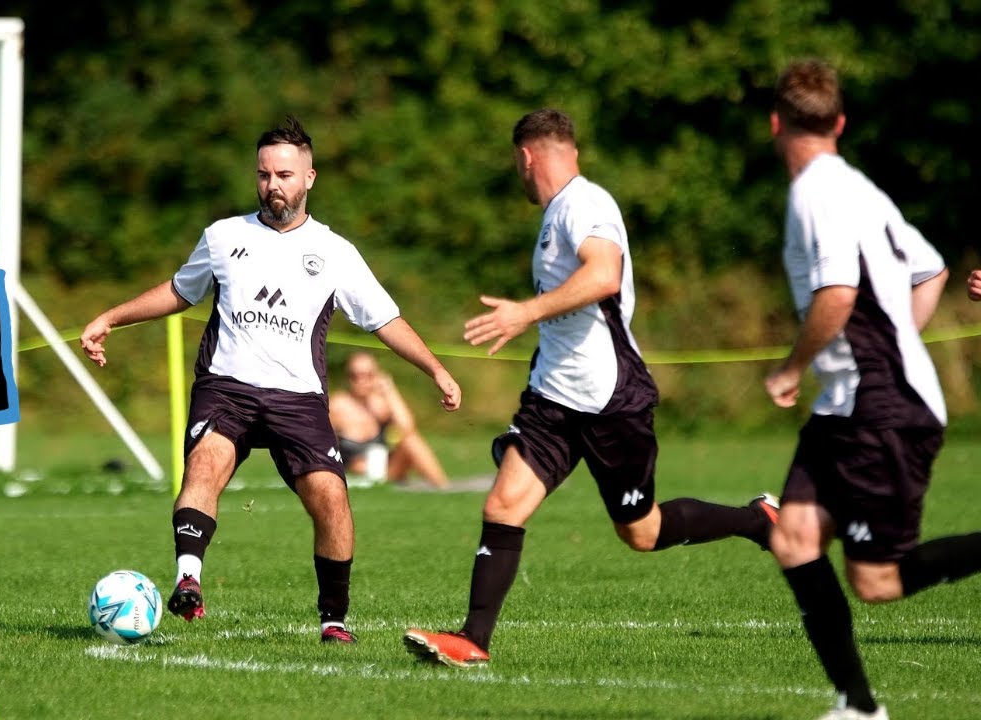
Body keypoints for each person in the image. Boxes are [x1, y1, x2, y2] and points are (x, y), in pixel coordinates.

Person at [402, 108, 778, 668]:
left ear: (526, 157)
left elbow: (604, 274)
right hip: (553, 399)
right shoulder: (558, 213)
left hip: (609, 398)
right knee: (503, 504)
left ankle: (758, 520)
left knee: (642, 532)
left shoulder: (586, 203)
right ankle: (473, 640)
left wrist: (525, 313)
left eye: (516, 163)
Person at [80, 115, 461, 645]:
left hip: (298, 399)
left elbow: (384, 320)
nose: (272, 185)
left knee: (331, 498)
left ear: (309, 178)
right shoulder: (223, 236)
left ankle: (334, 620)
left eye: (284, 174)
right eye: (263, 174)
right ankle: (188, 577)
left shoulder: (335, 252)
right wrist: (111, 317)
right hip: (226, 388)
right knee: (204, 467)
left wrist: (436, 368)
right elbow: (178, 291)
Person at [762, 58, 981, 720]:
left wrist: (792, 367)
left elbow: (837, 293)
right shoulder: (861, 189)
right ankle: (858, 707)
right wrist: (901, 346)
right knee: (794, 537)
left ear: (776, 124)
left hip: (882, 408)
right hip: (851, 405)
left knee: (878, 581)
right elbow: (933, 269)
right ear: (840, 122)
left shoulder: (814, 193)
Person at [329, 350, 451, 489]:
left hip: (386, 468)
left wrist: (390, 391)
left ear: (376, 375)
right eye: (355, 376)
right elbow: (324, 443)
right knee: (358, 465)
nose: (361, 381)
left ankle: (443, 487)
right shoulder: (338, 405)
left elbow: (408, 427)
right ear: (348, 378)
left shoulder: (381, 403)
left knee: (411, 439)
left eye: (368, 375)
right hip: (354, 470)